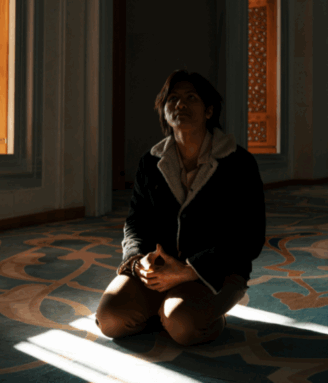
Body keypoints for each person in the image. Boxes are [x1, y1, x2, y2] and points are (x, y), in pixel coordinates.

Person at [95, 70, 266, 346]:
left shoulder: (239, 163)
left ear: (209, 111)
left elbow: (250, 237)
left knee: (183, 325)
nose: (180, 104)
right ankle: (165, 309)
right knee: (110, 319)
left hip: (217, 272)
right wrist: (138, 260)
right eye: (172, 99)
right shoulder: (150, 163)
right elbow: (136, 222)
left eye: (191, 98)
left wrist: (190, 271)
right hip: (160, 268)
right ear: (164, 111)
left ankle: (194, 314)